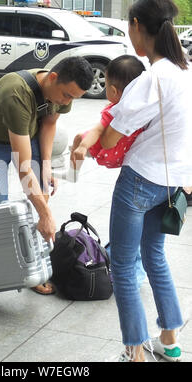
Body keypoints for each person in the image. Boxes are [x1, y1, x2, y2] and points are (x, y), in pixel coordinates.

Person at [98, 0, 192, 362]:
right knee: (155, 257)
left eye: (128, 26)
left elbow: (110, 137)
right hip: (173, 183)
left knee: (123, 266)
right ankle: (169, 343)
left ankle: (134, 352)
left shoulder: (153, 76)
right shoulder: (185, 73)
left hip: (140, 181)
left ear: (137, 26)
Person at [0, 57, 94, 295]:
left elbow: (49, 123)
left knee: (42, 190)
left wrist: (47, 165)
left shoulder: (62, 90)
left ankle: (34, 265)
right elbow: (23, 167)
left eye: (74, 98)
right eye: (67, 95)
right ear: (52, 78)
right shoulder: (16, 92)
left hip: (28, 133)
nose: (67, 101)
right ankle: (6, 264)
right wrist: (46, 215)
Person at [69, 55, 147, 288]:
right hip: (129, 158)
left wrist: (82, 147)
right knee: (140, 231)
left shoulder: (115, 109)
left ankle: (74, 164)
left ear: (113, 89)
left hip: (109, 152)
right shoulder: (147, 105)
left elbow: (98, 130)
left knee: (81, 138)